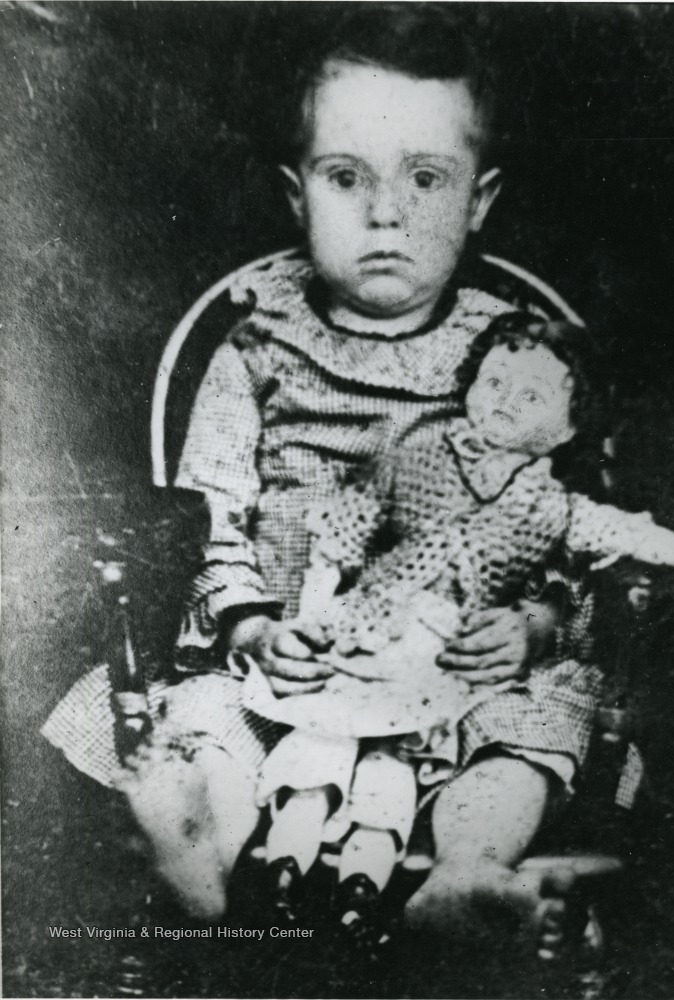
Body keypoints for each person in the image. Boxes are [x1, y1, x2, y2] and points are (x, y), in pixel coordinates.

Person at [42, 5, 576, 928]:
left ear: (477, 202)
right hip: (292, 659)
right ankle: (200, 846)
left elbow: (561, 518)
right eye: (345, 177)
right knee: (214, 719)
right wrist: (251, 632)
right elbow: (215, 515)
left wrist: (527, 626)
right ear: (297, 196)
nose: (384, 212)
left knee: (519, 737)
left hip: (457, 663)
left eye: (424, 178)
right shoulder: (256, 342)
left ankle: (467, 869)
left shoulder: (512, 352)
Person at [239, 313, 674, 945]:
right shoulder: (420, 455)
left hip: (451, 662)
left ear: (567, 430)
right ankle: (293, 865)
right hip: (377, 628)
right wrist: (314, 612)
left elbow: (623, 532)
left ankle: (418, 883)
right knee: (329, 736)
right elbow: (347, 528)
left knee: (436, 747)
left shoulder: (550, 505)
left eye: (531, 396)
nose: (506, 401)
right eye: (494, 380)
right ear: (469, 384)